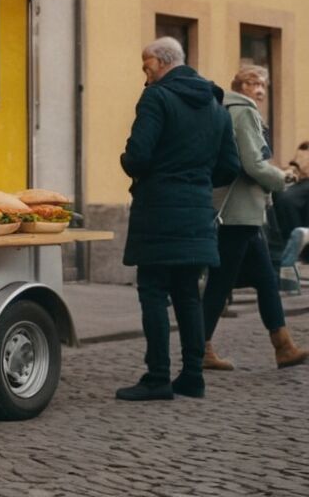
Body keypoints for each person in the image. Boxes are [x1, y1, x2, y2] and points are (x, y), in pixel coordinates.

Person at [117, 37, 240, 401]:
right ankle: (192, 376)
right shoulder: (216, 107)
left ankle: (156, 377)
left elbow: (138, 156)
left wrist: (128, 163)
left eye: (146, 66)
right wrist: (197, 182)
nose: (145, 75)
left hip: (158, 207)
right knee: (187, 293)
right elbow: (230, 166)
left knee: (153, 290)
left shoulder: (157, 98)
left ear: (159, 61)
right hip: (197, 208)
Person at [202, 67, 309, 372]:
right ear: (240, 86)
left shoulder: (225, 109)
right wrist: (284, 177)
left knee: (264, 280)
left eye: (263, 83)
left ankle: (283, 346)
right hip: (238, 212)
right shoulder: (243, 112)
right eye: (253, 83)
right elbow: (253, 163)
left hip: (243, 211)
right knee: (220, 284)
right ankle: (199, 349)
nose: (260, 89)